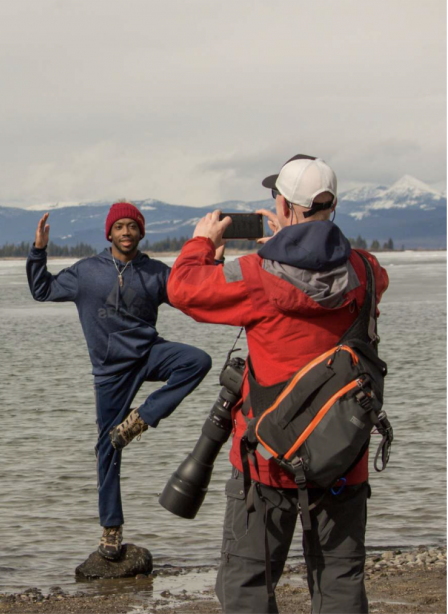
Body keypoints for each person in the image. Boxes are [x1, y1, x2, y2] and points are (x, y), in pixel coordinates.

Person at [168, 155, 390, 613]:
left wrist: (201, 244)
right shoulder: (366, 272)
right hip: (342, 458)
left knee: (247, 588)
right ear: (331, 206)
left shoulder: (256, 275)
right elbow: (342, 275)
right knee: (340, 586)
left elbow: (183, 289)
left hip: (265, 465)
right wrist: (294, 243)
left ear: (284, 206)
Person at [26, 201, 213, 559]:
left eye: (133, 226)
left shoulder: (157, 273)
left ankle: (141, 418)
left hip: (148, 354)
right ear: (109, 233)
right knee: (108, 449)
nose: (126, 232)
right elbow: (41, 289)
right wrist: (39, 250)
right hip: (111, 372)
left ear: (141, 233)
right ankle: (111, 529)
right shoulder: (86, 272)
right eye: (120, 227)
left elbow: (193, 296)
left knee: (197, 360)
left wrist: (212, 263)